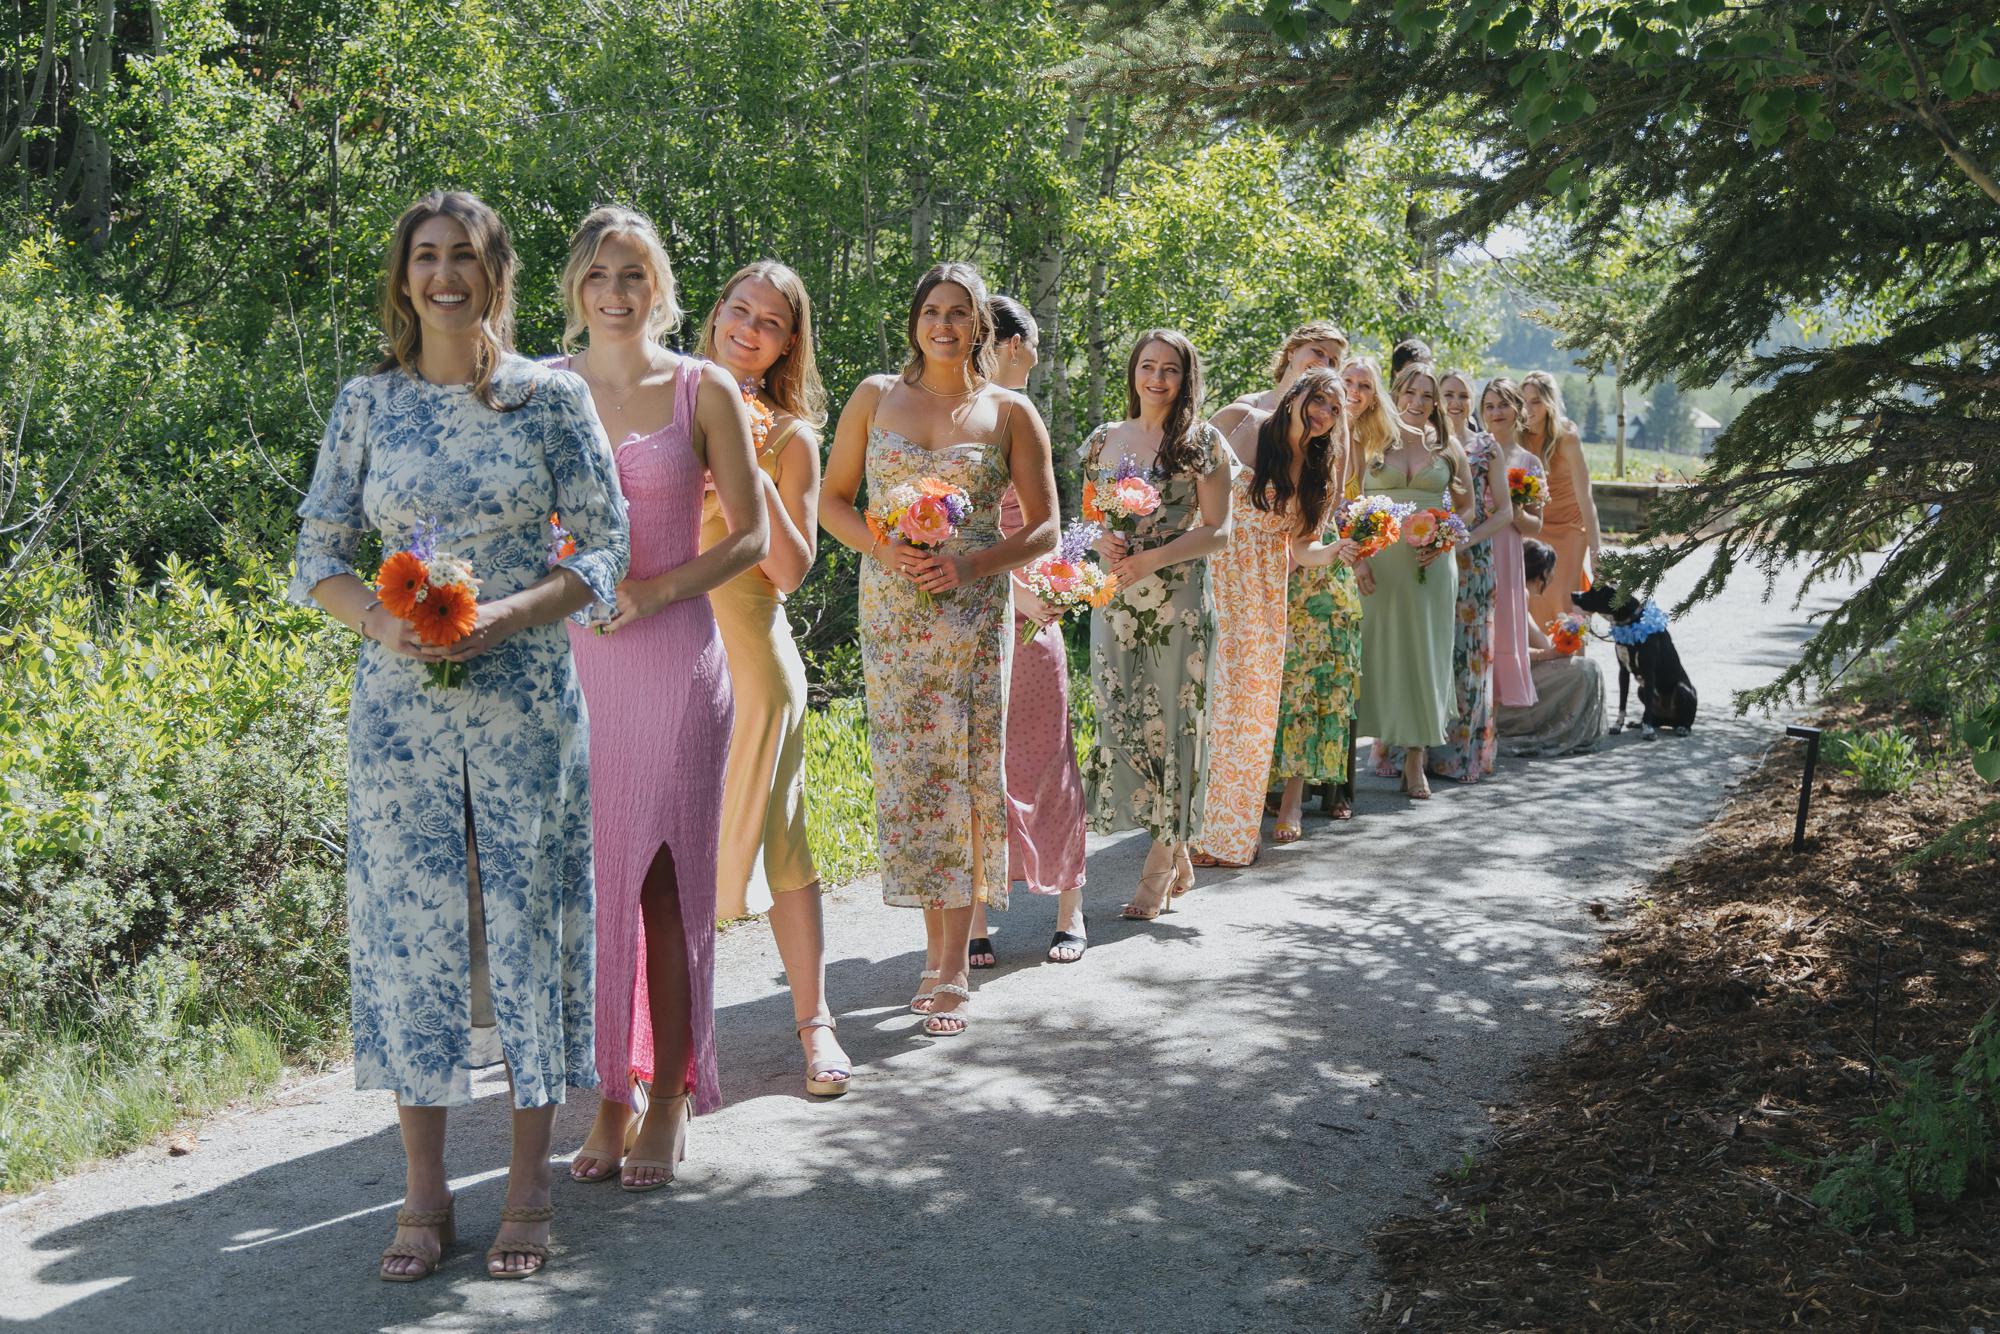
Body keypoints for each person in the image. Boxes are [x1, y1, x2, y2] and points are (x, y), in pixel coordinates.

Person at [289, 191, 629, 1281]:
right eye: (424, 257)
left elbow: (605, 547)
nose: (444, 274)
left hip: (523, 694)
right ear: (403, 278)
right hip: (398, 715)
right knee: (415, 936)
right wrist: (392, 623)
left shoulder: (546, 400)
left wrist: (506, 615)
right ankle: (424, 1187)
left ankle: (528, 1182)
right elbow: (318, 554)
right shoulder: (365, 403)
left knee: (522, 924)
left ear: (495, 273)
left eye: (464, 257)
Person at [557, 208, 768, 1192]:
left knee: (659, 885)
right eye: (600, 273)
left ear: (659, 287)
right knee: (591, 892)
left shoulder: (702, 388)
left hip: (676, 660)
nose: (615, 291)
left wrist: (654, 588)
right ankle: (610, 1092)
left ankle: (671, 1091)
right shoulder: (540, 393)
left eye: (634, 273)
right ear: (574, 285)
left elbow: (751, 538)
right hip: (574, 670)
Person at [821, 262, 1059, 1035]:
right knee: (914, 777)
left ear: (981, 327)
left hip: (971, 613)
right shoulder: (871, 397)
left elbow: (1046, 529)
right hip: (893, 612)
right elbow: (831, 502)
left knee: (963, 772)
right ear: (914, 319)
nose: (945, 325)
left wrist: (970, 565)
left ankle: (951, 963)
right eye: (932, 310)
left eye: (960, 313)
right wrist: (887, 554)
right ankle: (933, 947)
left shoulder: (1011, 412)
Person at [695, 260, 852, 1096]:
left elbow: (791, 571)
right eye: (738, 310)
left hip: (755, 663)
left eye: (770, 322)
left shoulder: (792, 435)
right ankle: (659, 1048)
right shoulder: (663, 403)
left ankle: (816, 1025)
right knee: (657, 851)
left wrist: (748, 475)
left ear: (790, 343)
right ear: (716, 313)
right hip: (667, 656)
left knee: (783, 842)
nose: (748, 329)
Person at [1082, 329, 1233, 916]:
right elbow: (1090, 513)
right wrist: (1104, 543)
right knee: (1121, 721)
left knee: (1176, 725)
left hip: (1179, 599)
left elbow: (1219, 530)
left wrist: (1152, 557)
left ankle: (1158, 864)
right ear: (1133, 372)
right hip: (1117, 599)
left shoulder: (1204, 442)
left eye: (1170, 369)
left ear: (1185, 375)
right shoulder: (1102, 440)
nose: (1157, 379)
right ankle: (1179, 844)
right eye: (1147, 366)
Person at [969, 294, 1089, 966]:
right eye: (1035, 343)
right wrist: (1007, 588)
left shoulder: (1025, 415)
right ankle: (976, 917)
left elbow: (1044, 527)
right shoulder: (960, 416)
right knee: (978, 763)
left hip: (1032, 613)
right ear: (1012, 343)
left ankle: (1070, 913)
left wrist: (1054, 589)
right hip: (976, 606)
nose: (1038, 357)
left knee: (1047, 759)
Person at [1194, 367, 1348, 862]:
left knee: (1245, 715)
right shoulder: (1239, 419)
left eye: (1335, 409)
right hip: (1203, 573)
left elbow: (1304, 548)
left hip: (1259, 594)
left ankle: (1229, 837)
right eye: (1319, 399)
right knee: (1197, 705)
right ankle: (1180, 837)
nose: (1323, 414)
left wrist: (1337, 551)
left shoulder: (1318, 467)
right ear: (1296, 391)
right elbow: (1183, 476)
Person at [1356, 362, 1472, 799]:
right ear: (1394, 394)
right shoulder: (1368, 440)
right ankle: (1347, 756)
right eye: (1410, 393)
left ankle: (1415, 759)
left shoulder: (1447, 448)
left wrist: (1445, 539)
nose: (1417, 403)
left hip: (1430, 566)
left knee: (1425, 652)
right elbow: (1343, 501)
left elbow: (1469, 509)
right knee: (1370, 649)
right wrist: (1356, 559)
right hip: (1376, 564)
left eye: (1427, 396)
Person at [1425, 372, 1514, 783]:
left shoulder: (1486, 447)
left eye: (1463, 395)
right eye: (1449, 395)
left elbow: (1504, 513)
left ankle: (1460, 755)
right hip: (1426, 557)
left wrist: (1464, 541)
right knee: (1430, 652)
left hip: (1473, 562)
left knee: (1468, 657)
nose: (1456, 402)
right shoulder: (1423, 440)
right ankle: (1414, 751)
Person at [1497, 539, 1607, 756]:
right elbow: (1507, 653)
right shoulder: (1515, 595)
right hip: (1503, 685)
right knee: (1587, 669)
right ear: (1543, 575)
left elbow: (1544, 643)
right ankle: (1565, 731)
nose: (1554, 577)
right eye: (1552, 571)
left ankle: (1574, 730)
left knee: (1583, 666)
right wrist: (1550, 654)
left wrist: (1569, 630)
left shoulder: (1521, 596)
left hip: (1514, 674)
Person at [1481, 377, 1544, 710]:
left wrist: (1515, 511)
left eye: (1503, 404)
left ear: (1518, 409)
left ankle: (1501, 704)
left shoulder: (1529, 463)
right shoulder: (1472, 451)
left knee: (1503, 621)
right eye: (1489, 406)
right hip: (1475, 546)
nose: (1496, 412)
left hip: (1507, 550)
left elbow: (1536, 525)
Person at [1521, 371, 1602, 625]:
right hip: (1536, 526)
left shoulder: (1567, 437)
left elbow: (1586, 498)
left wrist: (1596, 552)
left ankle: (1575, 660)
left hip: (1569, 529)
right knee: (1533, 597)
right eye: (1523, 401)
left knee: (1564, 601)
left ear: (1549, 402)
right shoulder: (1517, 435)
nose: (1528, 408)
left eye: (1535, 401)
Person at [1226, 320, 1349, 413]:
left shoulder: (1323, 421)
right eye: (1319, 352)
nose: (1324, 364)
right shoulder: (1249, 407)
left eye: (1332, 362)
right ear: (1292, 352)